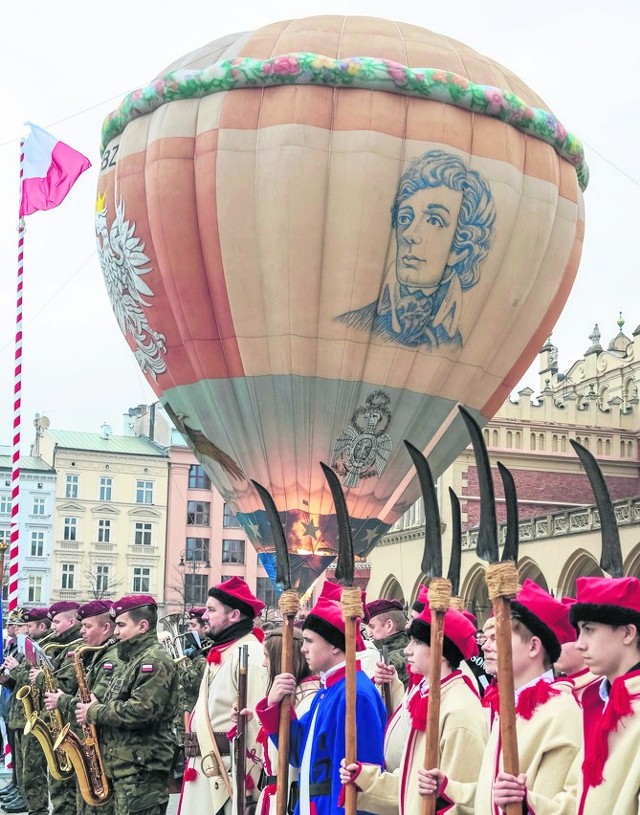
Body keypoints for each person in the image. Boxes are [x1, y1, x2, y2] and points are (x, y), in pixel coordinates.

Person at [336, 149, 496, 348]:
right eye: (405, 218)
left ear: (460, 249)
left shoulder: (460, 344)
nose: (409, 234)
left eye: (434, 221)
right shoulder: (352, 324)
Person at [341, 604, 487, 815]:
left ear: (441, 652)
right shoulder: (429, 695)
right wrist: (363, 779)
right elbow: (411, 784)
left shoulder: (458, 710)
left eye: (417, 642)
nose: (407, 649)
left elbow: (460, 800)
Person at [255, 596, 386, 815]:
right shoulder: (329, 690)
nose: (303, 649)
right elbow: (297, 752)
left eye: (309, 641)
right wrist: (275, 706)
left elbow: (359, 782)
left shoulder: (354, 694)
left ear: (335, 646)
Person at [471, 579, 582, 814]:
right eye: (487, 638)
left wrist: (527, 803)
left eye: (497, 637)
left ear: (533, 647)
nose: (485, 647)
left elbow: (570, 803)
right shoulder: (509, 706)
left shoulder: (561, 712)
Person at [75, 594, 178, 815]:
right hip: (125, 768)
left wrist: (95, 711)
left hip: (142, 771)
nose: (116, 631)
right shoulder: (133, 658)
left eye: (121, 625)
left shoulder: (154, 660)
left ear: (142, 626)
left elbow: (141, 711)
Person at [178, 577, 267, 815]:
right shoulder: (224, 651)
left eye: (211, 609)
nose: (204, 616)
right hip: (209, 767)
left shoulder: (252, 654)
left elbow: (256, 724)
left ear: (234, 615)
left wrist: (248, 780)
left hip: (228, 773)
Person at [570, 575, 640, 815]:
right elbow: (579, 798)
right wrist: (527, 799)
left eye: (589, 630)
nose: (579, 644)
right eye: (579, 631)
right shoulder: (595, 700)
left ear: (628, 633)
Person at [44, 599, 119, 815]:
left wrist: (64, 701)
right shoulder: (95, 654)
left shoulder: (110, 658)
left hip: (102, 747)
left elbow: (97, 701)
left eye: (87, 626)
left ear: (106, 628)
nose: (82, 632)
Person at [242, 628, 320, 815]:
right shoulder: (297, 697)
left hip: (287, 800)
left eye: (267, 656)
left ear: (280, 660)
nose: (263, 663)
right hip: (274, 796)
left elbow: (292, 754)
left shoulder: (309, 700)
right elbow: (269, 756)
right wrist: (249, 722)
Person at [4, 607, 52, 815]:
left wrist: (16, 669)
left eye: (29, 626)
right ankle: (27, 800)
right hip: (21, 714)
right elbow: (23, 684)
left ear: (41, 626)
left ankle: (35, 806)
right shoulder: (33, 646)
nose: (27, 631)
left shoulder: (46, 648)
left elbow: (42, 682)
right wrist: (8, 680)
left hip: (35, 716)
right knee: (24, 769)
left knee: (33, 771)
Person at [364, 599, 409, 688]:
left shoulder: (391, 661)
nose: (369, 633)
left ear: (389, 625)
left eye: (372, 626)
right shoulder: (411, 648)